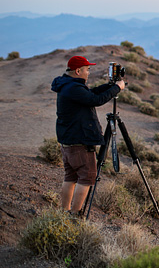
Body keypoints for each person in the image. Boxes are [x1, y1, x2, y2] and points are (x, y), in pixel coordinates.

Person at [51, 55, 125, 216]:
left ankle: (64, 213)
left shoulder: (68, 85)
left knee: (70, 177)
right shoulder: (74, 88)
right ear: (78, 71)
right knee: (87, 177)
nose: (89, 73)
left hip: (68, 140)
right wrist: (117, 88)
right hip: (79, 142)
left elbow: (90, 94)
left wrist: (109, 86)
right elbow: (96, 100)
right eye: (87, 69)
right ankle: (76, 215)